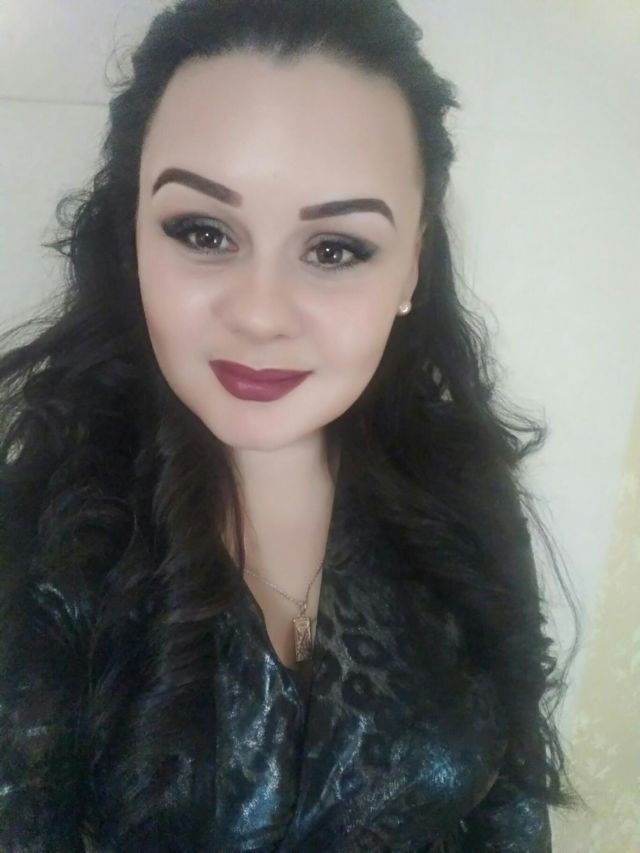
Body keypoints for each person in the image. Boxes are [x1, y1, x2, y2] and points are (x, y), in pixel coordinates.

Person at [0, 0, 585, 850]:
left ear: (412, 264)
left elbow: (511, 810)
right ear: (133, 237)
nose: (261, 313)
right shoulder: (36, 541)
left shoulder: (461, 489)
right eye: (203, 231)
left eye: (336, 248)